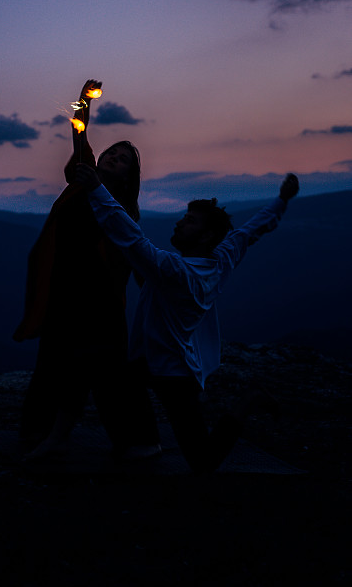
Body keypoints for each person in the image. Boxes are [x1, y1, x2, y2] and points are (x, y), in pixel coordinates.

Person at [75, 162, 300, 473]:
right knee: (108, 373)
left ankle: (249, 400)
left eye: (190, 221)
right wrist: (282, 200)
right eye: (184, 217)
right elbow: (251, 230)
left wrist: (95, 189)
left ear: (206, 235)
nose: (180, 223)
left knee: (203, 461)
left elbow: (130, 236)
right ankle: (141, 442)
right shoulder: (220, 260)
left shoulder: (176, 270)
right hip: (153, 359)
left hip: (173, 371)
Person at [13, 80, 148, 458]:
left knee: (103, 371)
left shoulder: (123, 209)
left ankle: (131, 441)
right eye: (112, 153)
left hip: (99, 298)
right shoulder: (80, 180)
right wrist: (85, 101)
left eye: (123, 160)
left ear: (127, 177)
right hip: (64, 289)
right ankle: (36, 436)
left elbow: (131, 255)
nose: (113, 159)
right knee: (52, 363)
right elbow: (80, 136)